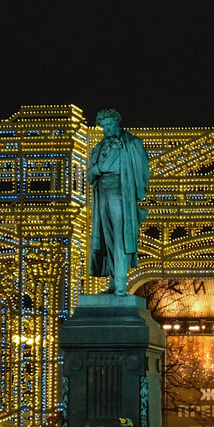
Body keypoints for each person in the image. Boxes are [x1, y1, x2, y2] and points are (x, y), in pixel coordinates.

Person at [86, 108, 150, 296]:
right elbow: (90, 174)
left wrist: (138, 196)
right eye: (103, 126)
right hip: (102, 194)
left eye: (108, 125)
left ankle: (121, 283)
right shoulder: (98, 147)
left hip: (121, 192)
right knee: (107, 239)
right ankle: (114, 283)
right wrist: (98, 169)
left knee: (121, 238)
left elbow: (143, 170)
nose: (105, 129)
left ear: (117, 122)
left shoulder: (132, 143)